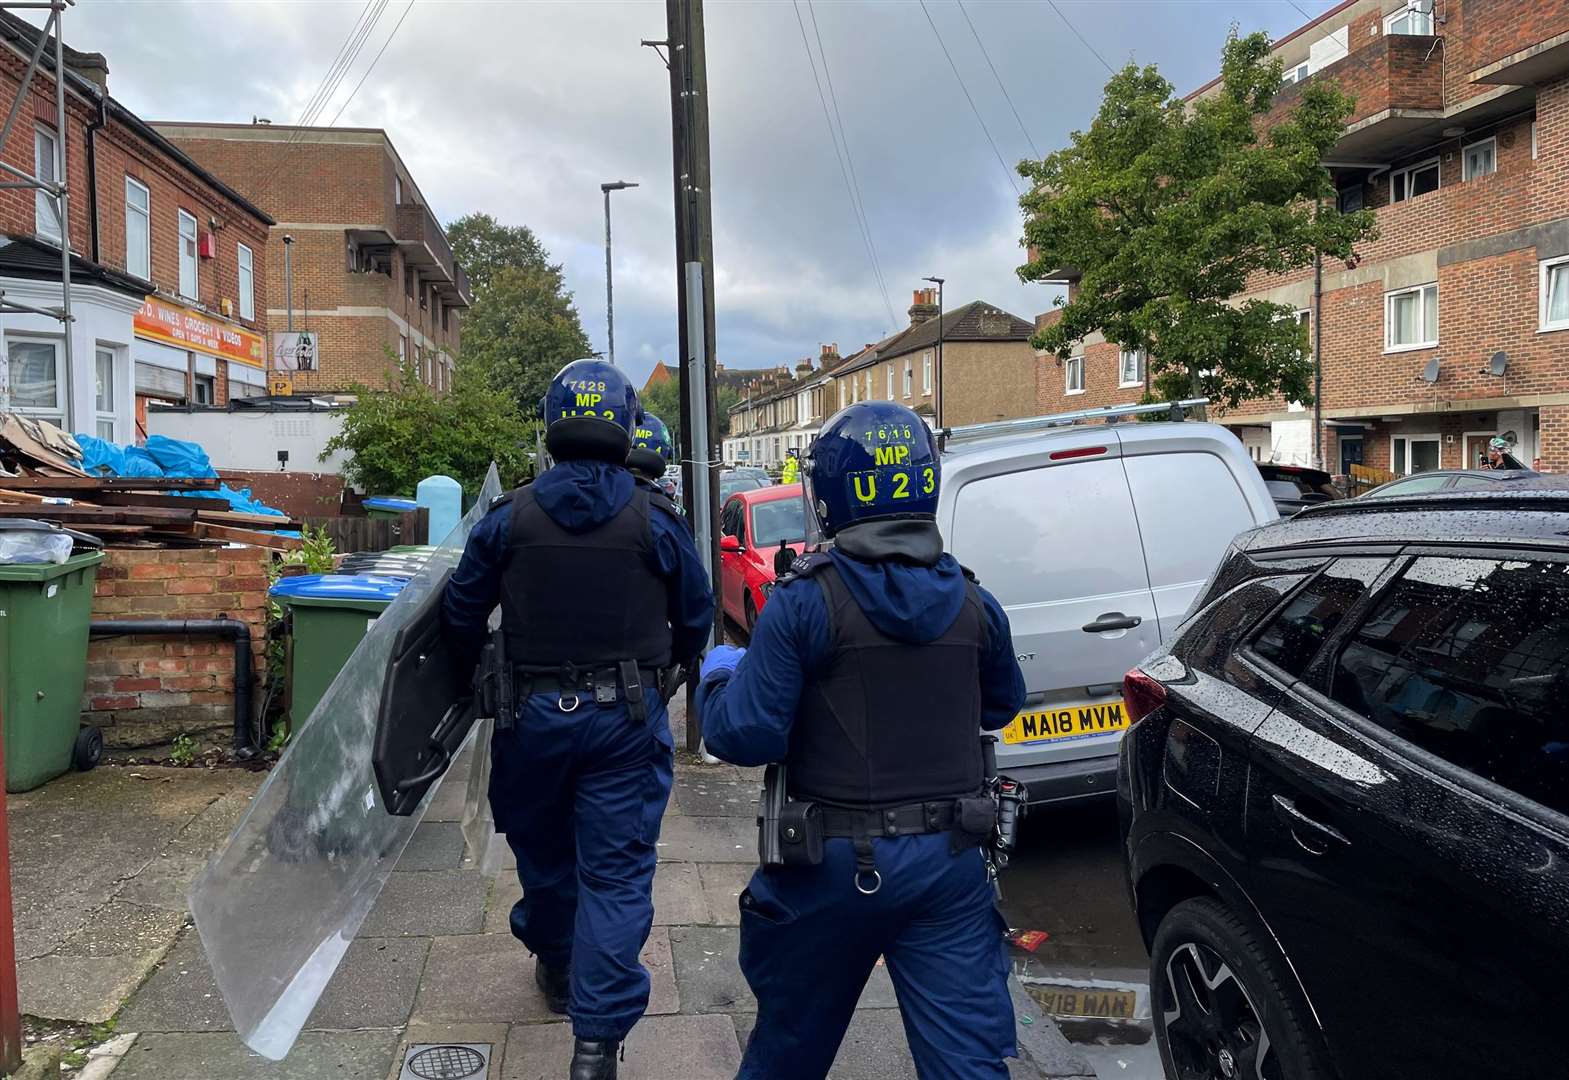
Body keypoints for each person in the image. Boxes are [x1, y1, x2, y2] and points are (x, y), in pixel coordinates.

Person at [695, 400, 1027, 1080]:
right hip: (948, 864)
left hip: (829, 867)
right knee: (968, 1062)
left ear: (831, 497)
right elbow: (1000, 706)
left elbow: (745, 734)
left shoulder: (804, 602)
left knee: (788, 1054)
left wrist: (718, 676)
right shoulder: (973, 601)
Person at [442, 359, 713, 1080]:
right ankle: (595, 1043)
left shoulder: (508, 519)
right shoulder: (656, 519)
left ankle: (559, 967)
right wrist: (671, 674)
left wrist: (468, 677)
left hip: (529, 720)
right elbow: (696, 616)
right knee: (616, 875)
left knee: (545, 857)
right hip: (624, 721)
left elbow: (460, 613)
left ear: (550, 427)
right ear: (626, 427)